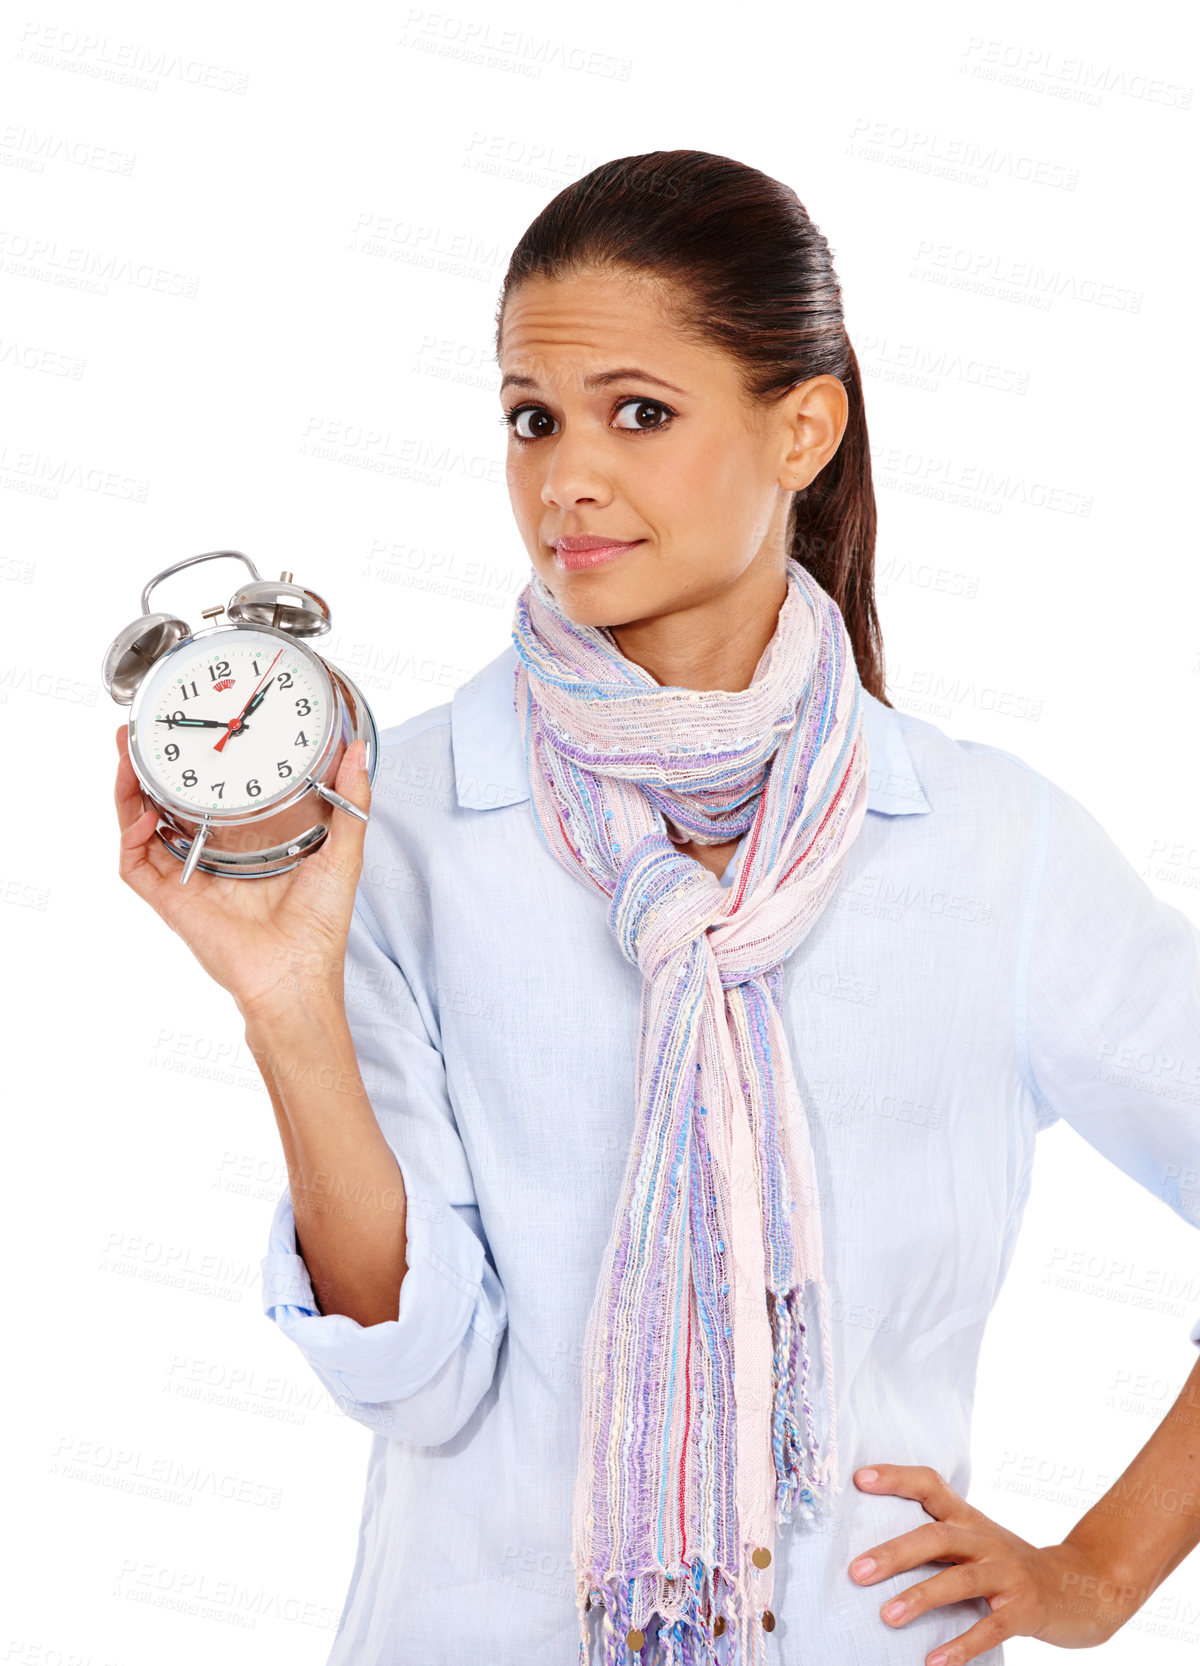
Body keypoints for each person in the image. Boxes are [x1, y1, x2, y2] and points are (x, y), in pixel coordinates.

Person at [113, 150, 1200, 1666]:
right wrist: (286, 1005)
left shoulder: (985, 847)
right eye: (530, 417)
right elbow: (416, 1377)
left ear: (801, 425)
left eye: (639, 411)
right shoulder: (393, 822)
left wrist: (1098, 1573)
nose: (565, 475)